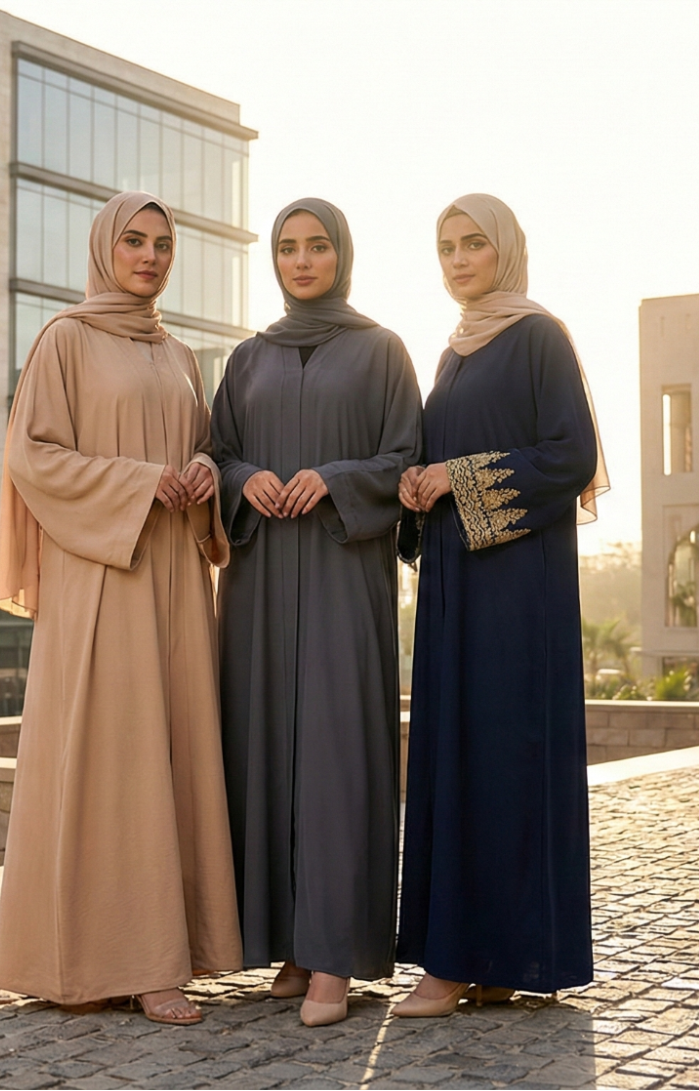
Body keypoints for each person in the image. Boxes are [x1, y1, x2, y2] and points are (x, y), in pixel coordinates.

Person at [0, 191, 243, 1026]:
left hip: (172, 574)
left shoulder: (178, 354)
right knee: (107, 760)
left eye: (163, 244)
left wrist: (204, 471)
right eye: (134, 241)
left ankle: (164, 956)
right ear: (105, 247)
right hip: (100, 577)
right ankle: (107, 959)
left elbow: (197, 443)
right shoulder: (65, 339)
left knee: (164, 755)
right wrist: (138, 483)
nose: (150, 255)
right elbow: (32, 457)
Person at [392, 193, 608, 1017]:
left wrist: (457, 477)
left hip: (518, 592)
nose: (457, 259)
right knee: (456, 757)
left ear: (505, 250)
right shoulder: (450, 352)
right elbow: (437, 456)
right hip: (452, 584)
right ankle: (482, 957)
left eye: (472, 244)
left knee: (504, 758)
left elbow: (569, 453)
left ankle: (472, 958)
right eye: (444, 246)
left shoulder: (536, 336)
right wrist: (420, 484)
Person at [211, 198, 422, 1028]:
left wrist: (335, 477)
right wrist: (242, 479)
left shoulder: (381, 351)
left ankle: (337, 954)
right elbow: (215, 450)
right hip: (261, 581)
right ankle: (290, 946)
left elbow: (406, 456)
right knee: (263, 752)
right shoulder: (248, 357)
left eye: (317, 246)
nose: (301, 261)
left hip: (342, 571)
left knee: (337, 758)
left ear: (342, 253)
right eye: (288, 248)